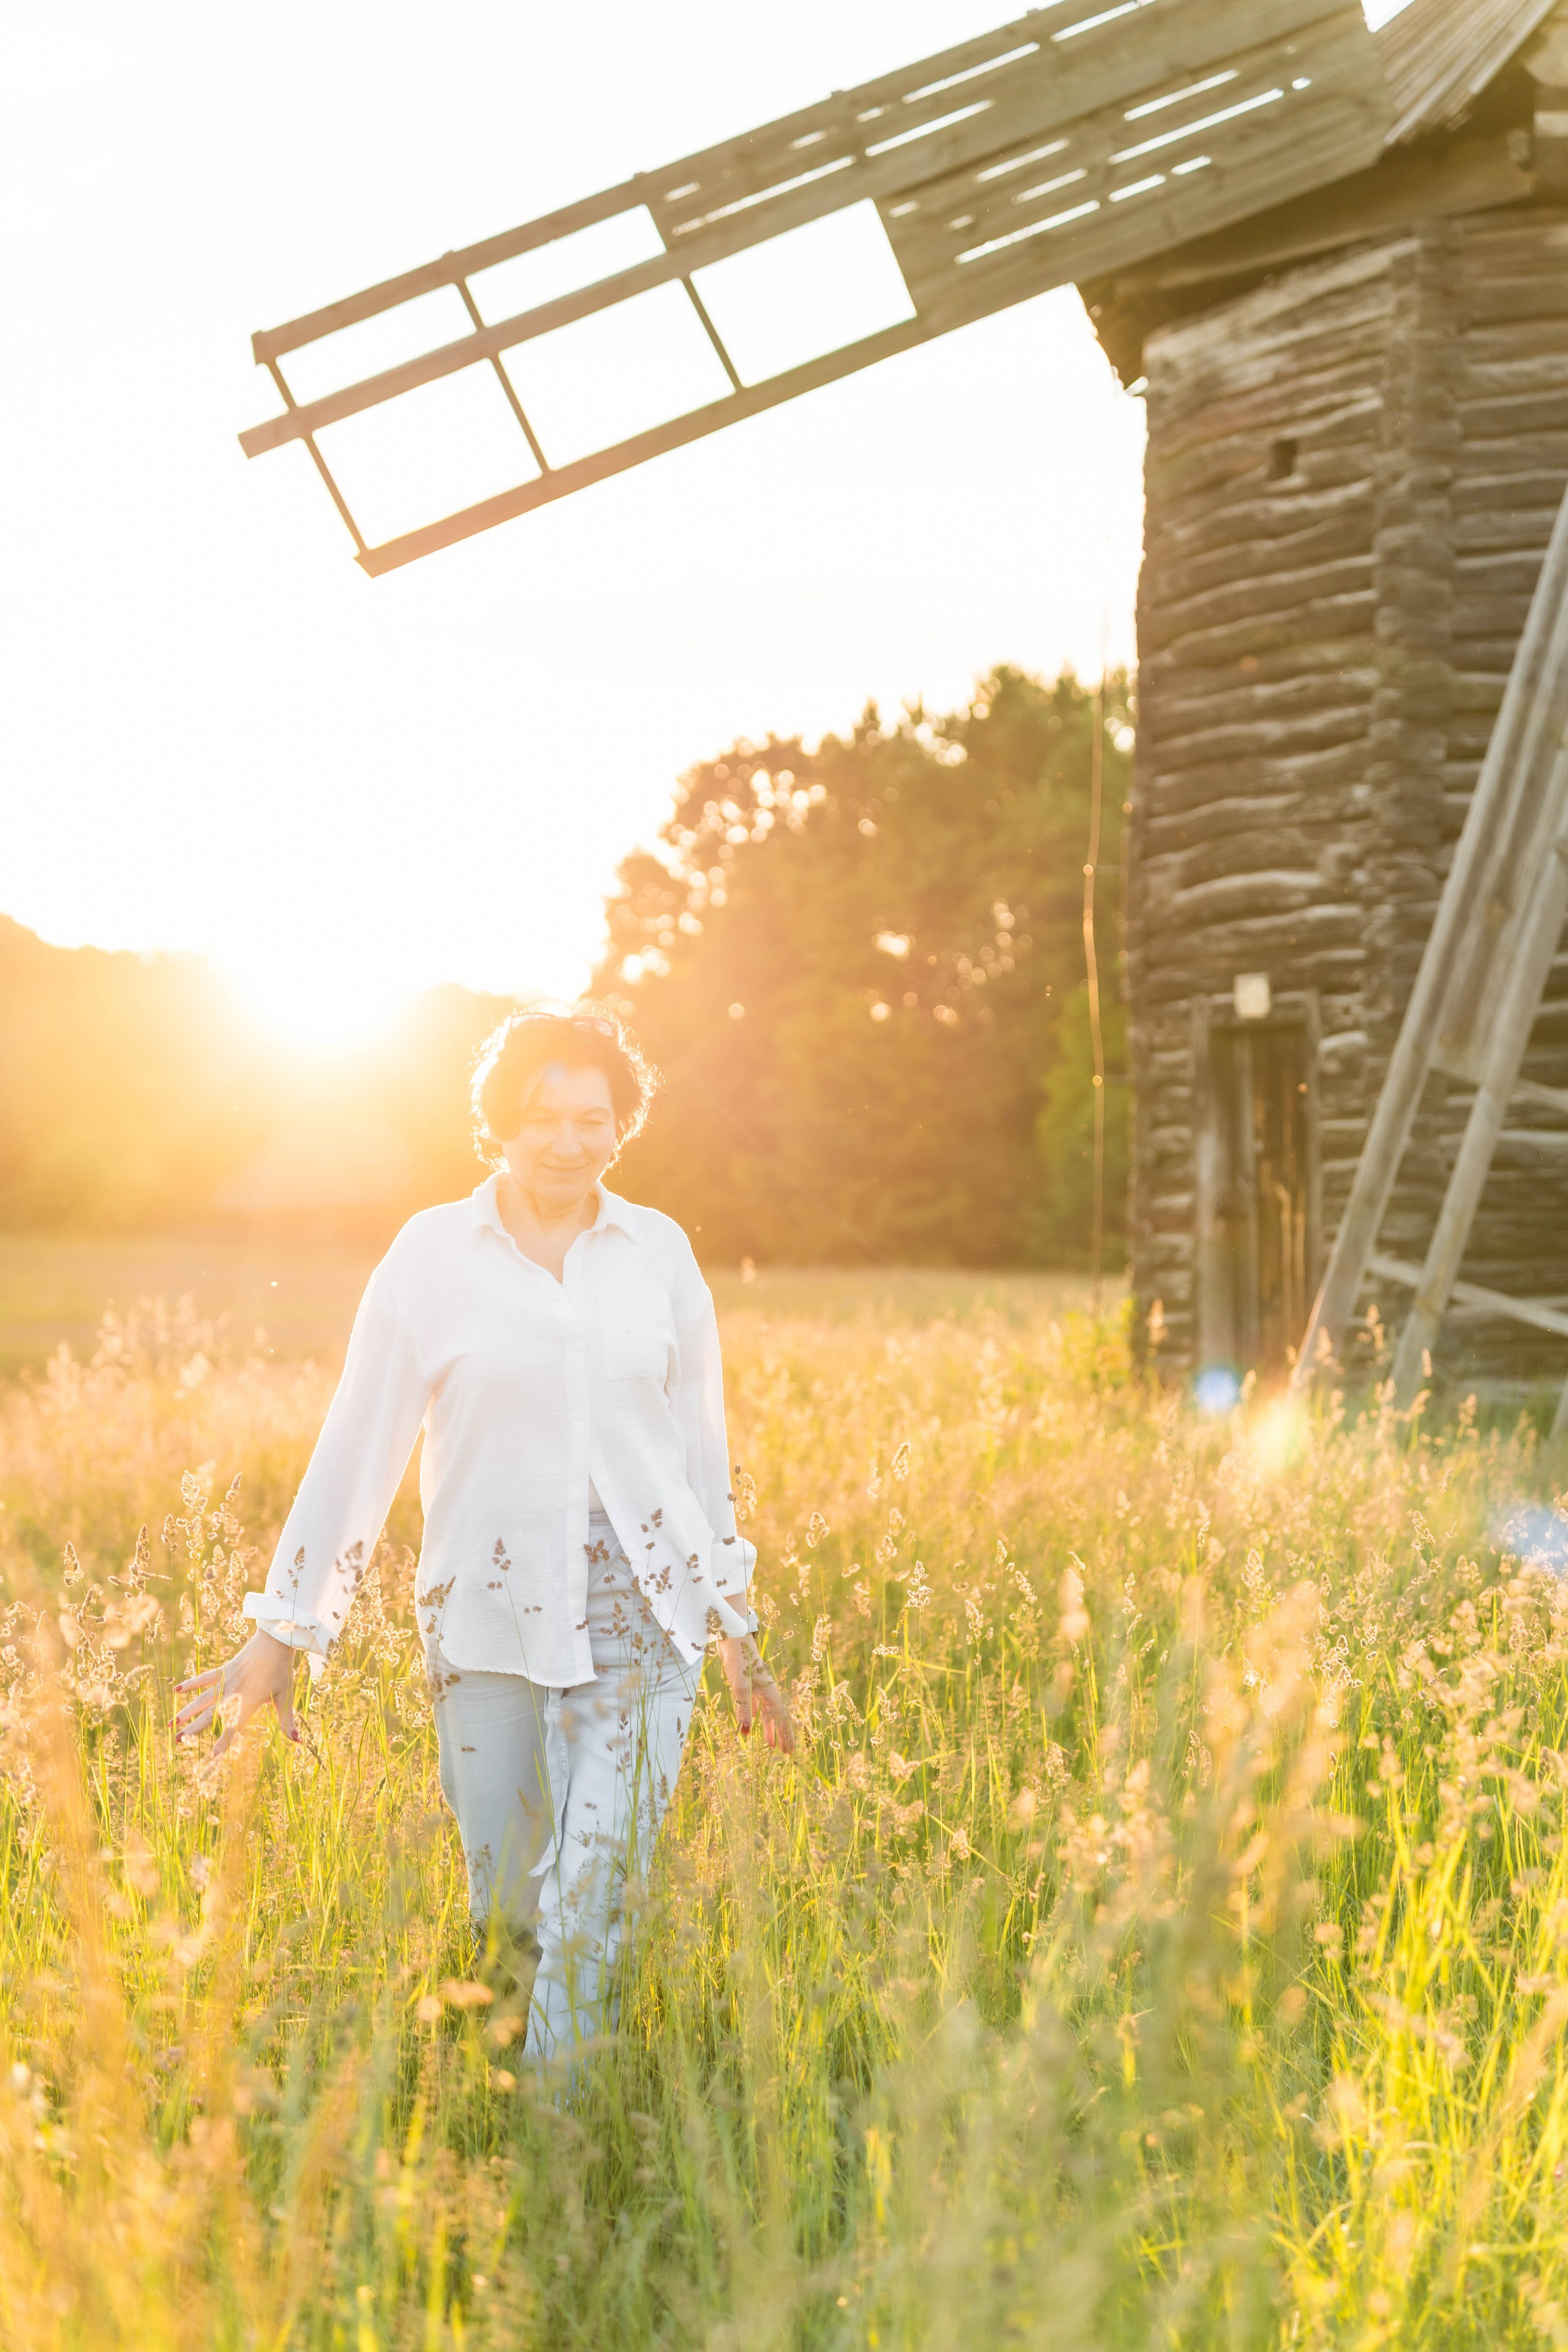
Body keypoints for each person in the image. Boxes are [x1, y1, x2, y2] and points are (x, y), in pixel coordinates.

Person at [173, 1007, 793, 2056]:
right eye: (543, 1117)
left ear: (621, 1125)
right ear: (501, 1123)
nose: (567, 1141)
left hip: (645, 1613)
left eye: (592, 1118)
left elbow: (700, 1458)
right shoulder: (431, 1255)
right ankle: (503, 2088)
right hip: (484, 1613)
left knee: (594, 1891)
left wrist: (732, 1625)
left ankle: (557, 2139)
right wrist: (284, 1630)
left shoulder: (660, 1254)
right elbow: (359, 1444)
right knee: (508, 1912)